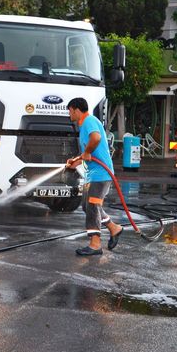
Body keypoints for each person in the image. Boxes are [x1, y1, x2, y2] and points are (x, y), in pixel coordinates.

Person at [66, 97, 123, 256]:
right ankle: (114, 228)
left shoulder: (89, 120)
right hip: (93, 174)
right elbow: (87, 153)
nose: (69, 114)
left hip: (101, 174)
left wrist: (87, 152)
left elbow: (96, 138)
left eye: (70, 111)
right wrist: (77, 161)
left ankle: (95, 244)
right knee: (88, 206)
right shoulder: (84, 124)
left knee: (92, 205)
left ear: (77, 110)